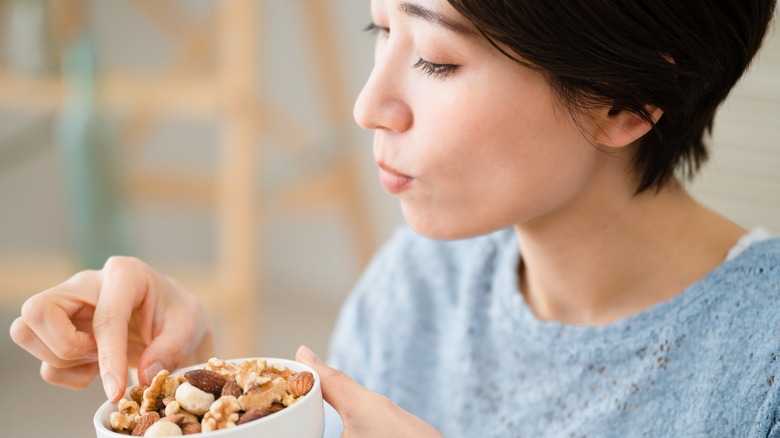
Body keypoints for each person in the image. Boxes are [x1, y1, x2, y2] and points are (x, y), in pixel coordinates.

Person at [9, 0, 780, 436]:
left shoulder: (760, 375)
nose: (366, 105)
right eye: (381, 31)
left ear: (623, 98)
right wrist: (206, 401)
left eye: (437, 60)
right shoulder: (418, 284)